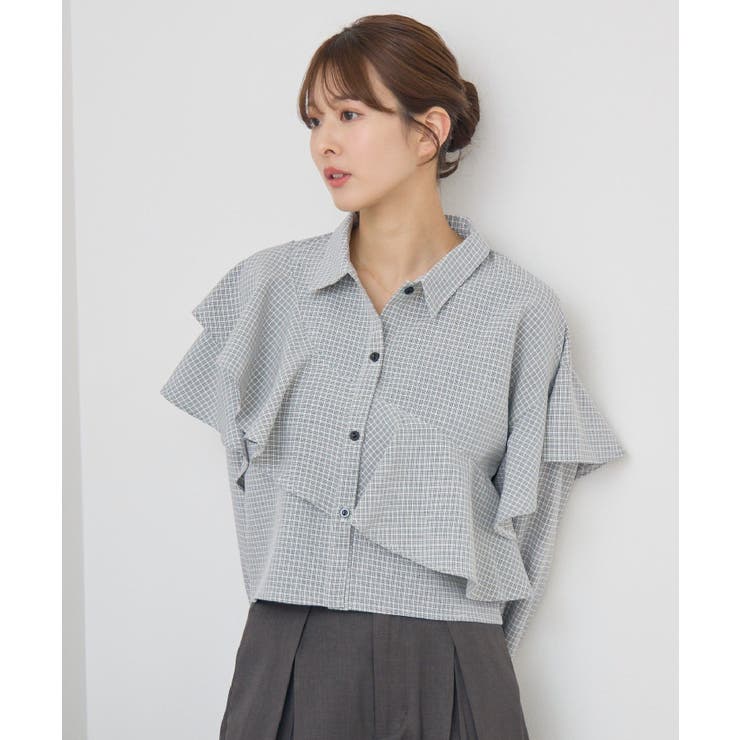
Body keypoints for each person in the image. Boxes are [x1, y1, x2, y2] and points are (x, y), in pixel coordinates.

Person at [160, 13, 625, 740]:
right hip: (286, 654)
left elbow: (529, 527)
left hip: (455, 661)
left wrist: (465, 663)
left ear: (428, 131)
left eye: (349, 114)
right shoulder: (265, 292)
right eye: (314, 119)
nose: (324, 142)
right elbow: (246, 493)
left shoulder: (521, 311)